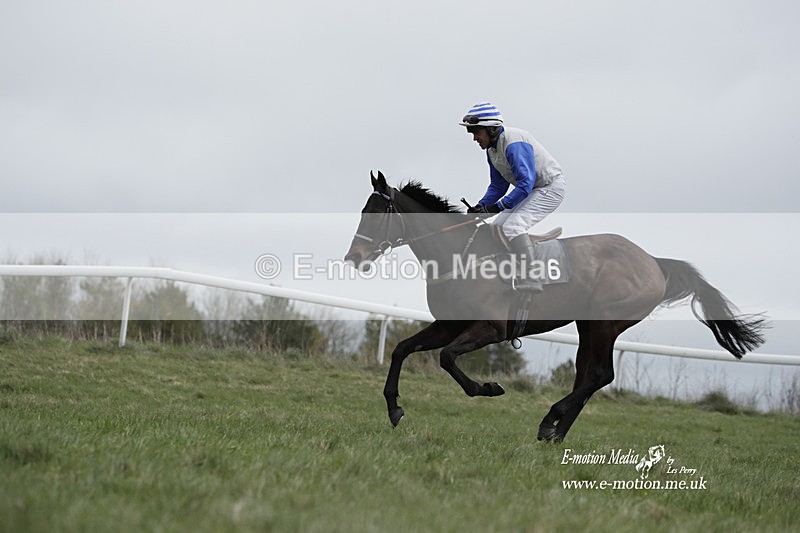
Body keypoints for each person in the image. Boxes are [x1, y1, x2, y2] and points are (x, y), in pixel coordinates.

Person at [461, 102, 566, 291]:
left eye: (477, 132)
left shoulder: (514, 143)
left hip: (550, 188)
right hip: (533, 189)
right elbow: (498, 186)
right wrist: (481, 206)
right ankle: (510, 269)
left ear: (492, 129)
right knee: (497, 226)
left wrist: (497, 207)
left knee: (513, 226)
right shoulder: (492, 151)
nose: (475, 138)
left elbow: (525, 184)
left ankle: (532, 276)